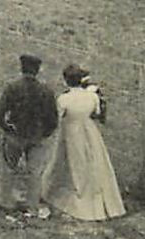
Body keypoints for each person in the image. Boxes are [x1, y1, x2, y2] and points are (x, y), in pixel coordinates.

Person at [41, 65, 126, 221]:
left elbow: (57, 117)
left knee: (70, 163)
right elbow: (97, 113)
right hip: (89, 131)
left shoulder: (64, 98)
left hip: (70, 132)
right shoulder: (92, 97)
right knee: (92, 162)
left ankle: (70, 197)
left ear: (66, 81)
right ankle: (96, 199)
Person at [0, 54, 58, 216]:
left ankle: (6, 201)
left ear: (21, 68)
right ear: (37, 71)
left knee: (8, 168)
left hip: (15, 134)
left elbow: (0, 112)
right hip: (37, 136)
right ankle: (32, 206)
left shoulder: (12, 87)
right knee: (35, 173)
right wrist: (44, 134)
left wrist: (6, 128)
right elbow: (53, 119)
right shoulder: (46, 91)